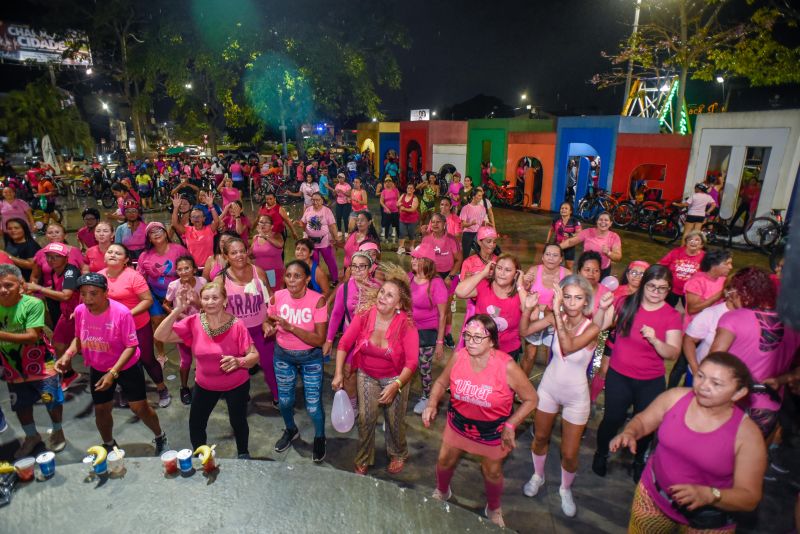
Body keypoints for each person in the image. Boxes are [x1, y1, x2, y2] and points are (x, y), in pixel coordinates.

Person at [612, 352, 766, 532]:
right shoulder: (675, 398)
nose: (703, 386)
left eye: (716, 383)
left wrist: (710, 495)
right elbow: (644, 420)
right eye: (700, 376)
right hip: (653, 498)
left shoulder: (747, 435)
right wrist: (630, 432)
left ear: (739, 392)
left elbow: (749, 497)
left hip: (707, 520)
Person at [421, 314, 538, 528]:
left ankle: (493, 507)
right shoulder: (459, 357)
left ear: (492, 341)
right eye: (467, 336)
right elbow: (440, 382)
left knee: (492, 472)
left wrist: (511, 424)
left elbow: (532, 399)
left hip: (493, 431)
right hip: (458, 424)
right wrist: (431, 404)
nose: (470, 342)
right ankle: (442, 490)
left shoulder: (507, 366)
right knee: (444, 460)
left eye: (478, 337)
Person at [55, 273, 168, 454]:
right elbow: (78, 338)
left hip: (126, 366)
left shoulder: (121, 313)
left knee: (140, 408)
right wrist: (67, 355)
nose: (87, 299)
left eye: (93, 293)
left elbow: (131, 346)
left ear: (106, 292)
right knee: (101, 409)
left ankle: (160, 435)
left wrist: (113, 372)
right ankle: (108, 443)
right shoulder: (80, 311)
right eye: (83, 294)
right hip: (98, 367)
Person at [593, 265, 682, 482]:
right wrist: (603, 308)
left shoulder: (672, 316)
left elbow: (672, 352)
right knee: (612, 419)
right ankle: (601, 453)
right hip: (619, 375)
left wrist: (655, 340)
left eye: (662, 288)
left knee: (645, 424)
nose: (655, 292)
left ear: (669, 289)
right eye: (652, 286)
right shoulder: (626, 303)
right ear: (644, 284)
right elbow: (599, 326)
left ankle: (639, 459)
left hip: (650, 380)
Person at [520, 276, 599, 517]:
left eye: (578, 298)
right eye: (567, 296)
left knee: (569, 452)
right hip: (549, 388)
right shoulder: (557, 317)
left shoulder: (593, 327)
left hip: (576, 396)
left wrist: (555, 312)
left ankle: (565, 489)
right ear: (561, 298)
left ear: (586, 301)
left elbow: (567, 346)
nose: (572, 303)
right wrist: (529, 309)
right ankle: (538, 475)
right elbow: (524, 331)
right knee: (540, 436)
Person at [155, 282, 259, 458]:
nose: (210, 302)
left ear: (225, 300)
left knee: (238, 420)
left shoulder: (237, 325)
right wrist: (177, 310)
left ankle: (243, 454)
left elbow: (254, 357)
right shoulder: (194, 322)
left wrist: (239, 361)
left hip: (236, 385)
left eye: (215, 297)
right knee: (196, 423)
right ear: (200, 301)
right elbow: (159, 336)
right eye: (206, 298)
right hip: (205, 385)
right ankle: (201, 456)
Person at [332, 267, 419, 475]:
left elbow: (412, 362)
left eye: (389, 295)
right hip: (367, 374)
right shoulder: (364, 315)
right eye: (382, 292)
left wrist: (396, 385)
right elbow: (344, 343)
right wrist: (337, 373)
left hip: (396, 377)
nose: (382, 297)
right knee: (366, 417)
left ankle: (398, 452)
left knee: (394, 419)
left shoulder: (406, 324)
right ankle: (363, 457)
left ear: (399, 304)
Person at [710, 267, 797, 439]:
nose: (731, 297)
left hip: (728, 400)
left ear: (746, 292)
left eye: (734, 291)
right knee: (745, 456)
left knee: (714, 454)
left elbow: (713, 361)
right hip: (767, 406)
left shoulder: (733, 318)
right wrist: (780, 380)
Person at [0, 264, 66, 458]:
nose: (3, 290)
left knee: (50, 399)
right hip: (13, 366)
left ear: (20, 285)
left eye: (8, 285)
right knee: (21, 404)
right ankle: (32, 436)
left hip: (40, 364)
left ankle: (58, 430)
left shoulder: (32, 304)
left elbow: (31, 336)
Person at [264, 261, 328, 462]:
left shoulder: (318, 301)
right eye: (289, 275)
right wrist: (268, 327)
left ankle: (320, 437)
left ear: (307, 279)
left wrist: (291, 327)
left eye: (297, 276)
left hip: (310, 358)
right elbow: (268, 319)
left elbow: (319, 340)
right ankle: (290, 429)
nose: (291, 280)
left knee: (313, 406)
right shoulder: (278, 296)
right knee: (284, 401)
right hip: (283, 355)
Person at [99, 243, 171, 407]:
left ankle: (161, 388)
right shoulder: (99, 277)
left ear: (125, 260)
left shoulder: (133, 276)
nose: (112, 254)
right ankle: (127, 390)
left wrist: (126, 315)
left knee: (146, 358)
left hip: (137, 325)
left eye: (118, 253)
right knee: (120, 360)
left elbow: (148, 300)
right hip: (113, 329)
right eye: (110, 252)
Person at [213, 237, 277, 408]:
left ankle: (278, 397)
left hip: (261, 329)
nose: (239, 255)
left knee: (270, 364)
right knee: (237, 369)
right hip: (236, 333)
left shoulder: (258, 272)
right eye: (233, 252)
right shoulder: (220, 280)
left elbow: (270, 298)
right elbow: (212, 308)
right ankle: (240, 397)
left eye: (242, 250)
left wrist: (268, 320)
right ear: (226, 256)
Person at [323, 251, 380, 404]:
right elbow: (336, 315)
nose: (357, 270)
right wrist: (329, 339)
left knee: (372, 374)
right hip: (351, 340)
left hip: (372, 339)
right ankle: (353, 404)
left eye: (362, 267)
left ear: (370, 268)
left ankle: (370, 404)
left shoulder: (379, 289)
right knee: (348, 372)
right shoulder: (345, 288)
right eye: (354, 267)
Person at [137, 222, 190, 366]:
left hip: (177, 293)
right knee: (157, 322)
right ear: (149, 238)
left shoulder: (179, 249)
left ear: (166, 233)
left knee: (183, 322)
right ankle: (160, 354)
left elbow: (190, 268)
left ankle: (187, 353)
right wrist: (144, 273)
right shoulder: (144, 256)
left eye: (159, 229)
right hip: (155, 293)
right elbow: (138, 280)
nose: (156, 233)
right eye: (151, 232)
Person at [455, 254, 523, 361]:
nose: (502, 273)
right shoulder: (484, 285)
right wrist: (482, 274)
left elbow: (530, 314)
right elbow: (459, 292)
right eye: (499, 268)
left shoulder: (520, 294)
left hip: (507, 351)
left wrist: (521, 286)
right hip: (479, 348)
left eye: (508, 270)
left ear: (516, 274)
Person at [408, 244, 448, 415]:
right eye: (413, 258)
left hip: (427, 334)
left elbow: (443, 315)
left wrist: (440, 342)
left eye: (418, 258)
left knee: (424, 366)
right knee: (407, 364)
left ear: (427, 262)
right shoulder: (409, 277)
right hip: (409, 331)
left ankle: (426, 396)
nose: (413, 261)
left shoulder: (436, 284)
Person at [520, 244, 569, 377]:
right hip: (534, 317)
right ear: (542, 257)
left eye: (555, 255)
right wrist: (525, 285)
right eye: (547, 254)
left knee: (552, 356)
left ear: (561, 259)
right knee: (530, 355)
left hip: (554, 317)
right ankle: (521, 387)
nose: (550, 258)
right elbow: (522, 296)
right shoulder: (534, 271)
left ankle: (548, 388)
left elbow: (572, 301)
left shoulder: (568, 275)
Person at [163, 255, 206, 404]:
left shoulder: (202, 282)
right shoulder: (174, 286)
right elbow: (166, 304)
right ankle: (184, 387)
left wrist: (197, 302)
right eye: (180, 269)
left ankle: (205, 384)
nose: (183, 271)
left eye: (186, 268)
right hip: (183, 327)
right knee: (186, 359)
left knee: (204, 356)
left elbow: (208, 306)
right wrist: (179, 314)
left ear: (194, 269)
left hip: (201, 325)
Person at [30, 223, 86, 326]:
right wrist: (35, 293)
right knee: (58, 324)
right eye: (50, 232)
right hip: (51, 295)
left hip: (72, 296)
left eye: (57, 232)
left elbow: (84, 270)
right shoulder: (41, 254)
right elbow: (35, 276)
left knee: (74, 325)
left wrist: (85, 290)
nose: (52, 260)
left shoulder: (72, 261)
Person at [422, 212, 463, 347]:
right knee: (431, 306)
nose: (434, 224)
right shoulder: (426, 239)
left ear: (444, 224)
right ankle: (433, 331)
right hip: (432, 276)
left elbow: (458, 260)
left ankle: (447, 333)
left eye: (438, 222)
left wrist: (450, 277)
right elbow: (423, 259)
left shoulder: (452, 240)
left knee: (446, 309)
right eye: (432, 222)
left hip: (448, 276)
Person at [295, 192, 340, 284]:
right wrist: (301, 225)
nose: (315, 202)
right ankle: (315, 280)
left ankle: (335, 279)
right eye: (313, 200)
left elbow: (332, 226)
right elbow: (304, 224)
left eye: (318, 200)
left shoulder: (326, 211)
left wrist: (336, 239)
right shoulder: (308, 210)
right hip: (311, 242)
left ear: (322, 200)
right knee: (314, 263)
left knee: (330, 261)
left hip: (325, 241)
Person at [559, 211, 621, 279]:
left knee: (599, 289)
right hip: (586, 269)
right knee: (583, 288)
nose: (603, 222)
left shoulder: (614, 237)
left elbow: (618, 256)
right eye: (600, 219)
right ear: (597, 221)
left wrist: (609, 253)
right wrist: (556, 247)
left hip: (603, 271)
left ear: (610, 223)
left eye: (606, 220)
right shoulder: (588, 232)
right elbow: (570, 242)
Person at [658, 230, 706, 308]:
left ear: (701, 245)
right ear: (686, 242)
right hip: (673, 288)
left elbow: (709, 273)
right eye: (690, 239)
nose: (693, 242)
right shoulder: (676, 252)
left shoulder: (705, 257)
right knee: (667, 308)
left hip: (691, 291)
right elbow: (660, 265)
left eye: (697, 240)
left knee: (690, 311)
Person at [171, 194, 220, 270]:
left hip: (209, 267)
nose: (196, 218)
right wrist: (176, 207)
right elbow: (175, 224)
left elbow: (217, 221)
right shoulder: (187, 230)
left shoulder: (209, 229)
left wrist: (211, 206)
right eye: (193, 217)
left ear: (204, 218)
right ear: (190, 219)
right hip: (193, 268)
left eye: (199, 216)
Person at [250, 215, 285, 291]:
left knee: (273, 295)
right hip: (260, 273)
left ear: (272, 226)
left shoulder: (276, 235)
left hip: (273, 272)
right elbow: (251, 254)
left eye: (266, 223)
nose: (263, 224)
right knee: (262, 295)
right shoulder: (255, 237)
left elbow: (280, 244)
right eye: (261, 222)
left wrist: (265, 236)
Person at [547, 201, 581, 270]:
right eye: (562, 208)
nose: (563, 210)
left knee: (569, 266)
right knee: (555, 264)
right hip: (557, 244)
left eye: (566, 208)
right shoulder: (556, 219)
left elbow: (580, 234)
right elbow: (551, 230)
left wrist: (571, 234)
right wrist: (547, 242)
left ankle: (568, 280)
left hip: (570, 246)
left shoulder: (575, 221)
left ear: (570, 211)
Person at [459, 188, 489, 257]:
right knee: (465, 255)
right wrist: (471, 224)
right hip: (468, 234)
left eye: (481, 196)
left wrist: (486, 224)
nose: (481, 198)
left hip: (479, 234)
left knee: (479, 255)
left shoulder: (482, 208)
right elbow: (463, 224)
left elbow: (482, 221)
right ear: (473, 196)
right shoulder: (466, 208)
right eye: (479, 196)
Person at [397, 183, 420, 255]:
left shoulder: (415, 198)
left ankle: (411, 247)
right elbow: (397, 203)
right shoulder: (403, 195)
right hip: (402, 218)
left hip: (412, 219)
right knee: (402, 233)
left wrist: (403, 208)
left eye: (411, 188)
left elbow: (413, 209)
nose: (409, 189)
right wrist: (399, 205)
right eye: (408, 188)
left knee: (411, 234)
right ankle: (401, 247)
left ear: (413, 190)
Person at [379, 177, 400, 242]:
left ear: (392, 182)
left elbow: (399, 199)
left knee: (397, 225)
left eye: (389, 181)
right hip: (387, 211)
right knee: (387, 225)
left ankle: (399, 238)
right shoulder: (384, 191)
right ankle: (386, 238)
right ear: (385, 183)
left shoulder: (396, 190)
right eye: (386, 182)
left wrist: (399, 208)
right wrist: (386, 208)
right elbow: (381, 201)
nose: (388, 183)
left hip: (395, 211)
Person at [333, 173, 352, 237]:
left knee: (345, 218)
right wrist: (335, 192)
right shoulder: (337, 185)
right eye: (339, 178)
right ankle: (339, 231)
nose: (340, 179)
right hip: (339, 203)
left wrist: (342, 191)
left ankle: (346, 231)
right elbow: (334, 195)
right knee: (338, 217)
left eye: (341, 178)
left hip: (346, 203)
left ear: (344, 178)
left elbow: (349, 194)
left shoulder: (347, 185)